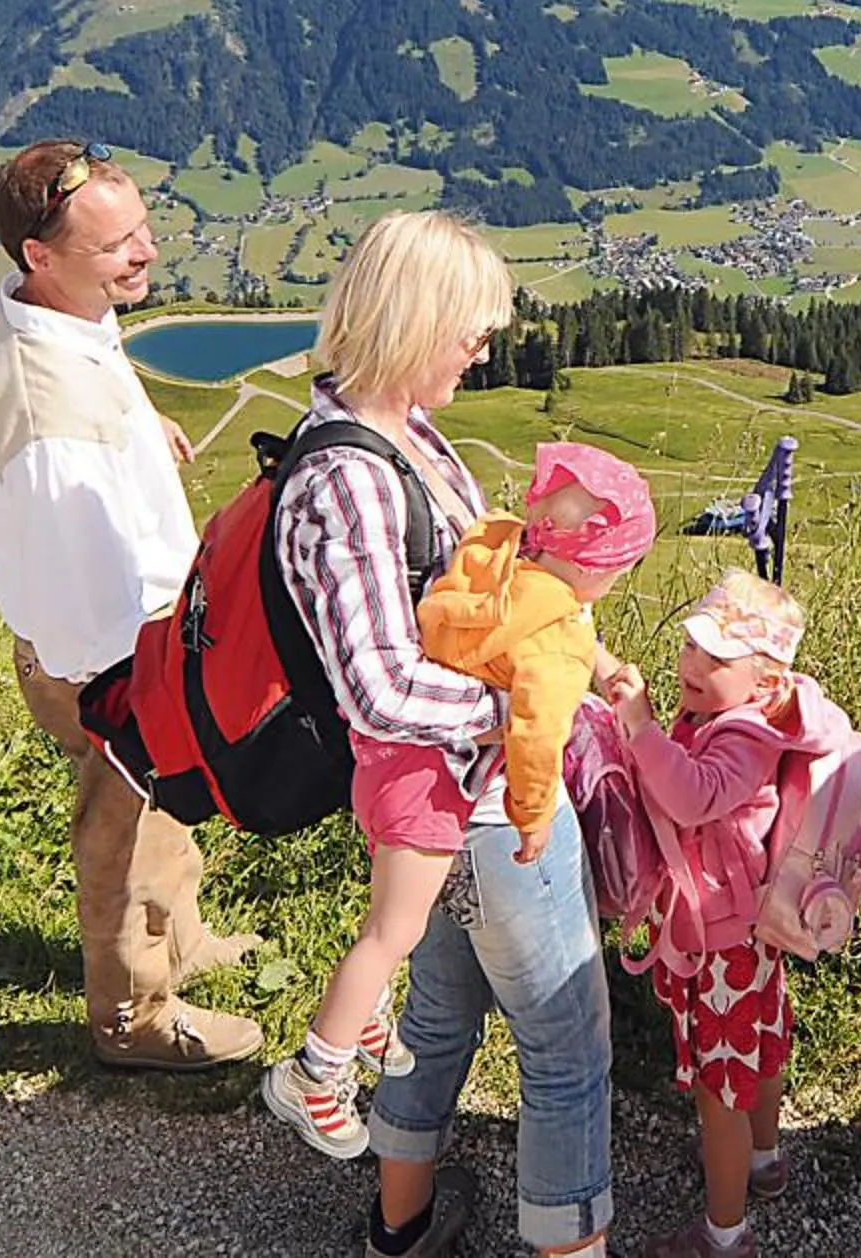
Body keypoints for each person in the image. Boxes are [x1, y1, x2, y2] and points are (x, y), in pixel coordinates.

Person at [265, 209, 615, 1258]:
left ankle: (404, 1225)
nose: (481, 348)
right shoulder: (355, 478)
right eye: (468, 329)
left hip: (449, 802)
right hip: (476, 800)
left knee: (438, 1017)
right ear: (414, 320)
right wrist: (524, 716)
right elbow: (377, 687)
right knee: (566, 1047)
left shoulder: (398, 430)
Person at [0, 139, 264, 1071]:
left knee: (167, 808)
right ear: (38, 255)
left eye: (142, 231)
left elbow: (89, 354)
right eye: (118, 247)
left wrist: (140, 414)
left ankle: (179, 938)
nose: (147, 256)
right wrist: (149, 686)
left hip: (137, 635)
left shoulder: (47, 310)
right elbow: (84, 596)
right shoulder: (56, 438)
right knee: (122, 826)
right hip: (112, 658)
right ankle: (133, 1018)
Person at [266, 442, 654, 1160]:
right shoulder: (557, 640)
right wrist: (534, 819)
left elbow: (517, 573)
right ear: (600, 569)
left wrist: (602, 664)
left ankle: (372, 1033)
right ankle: (315, 1075)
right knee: (390, 936)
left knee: (417, 972)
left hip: (381, 766)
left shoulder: (497, 547)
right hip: (439, 790)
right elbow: (536, 735)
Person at [607, 571, 846, 1258]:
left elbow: (691, 797)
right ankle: (764, 1161)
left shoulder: (744, 737)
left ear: (767, 684)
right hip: (747, 936)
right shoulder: (726, 716)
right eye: (689, 646)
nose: (691, 665)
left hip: (719, 943)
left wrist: (641, 728)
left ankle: (724, 1233)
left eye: (715, 658)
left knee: (719, 1091)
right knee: (761, 1052)